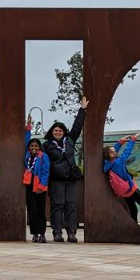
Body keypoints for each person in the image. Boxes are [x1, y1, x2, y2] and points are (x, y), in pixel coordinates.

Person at [44, 97, 88, 243]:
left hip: (70, 178)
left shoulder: (69, 141)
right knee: (57, 206)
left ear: (64, 132)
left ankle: (71, 233)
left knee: (71, 205)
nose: (58, 132)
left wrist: (82, 110)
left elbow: (77, 127)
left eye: (60, 130)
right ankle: (57, 233)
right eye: (55, 130)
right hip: (56, 179)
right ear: (52, 132)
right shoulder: (47, 145)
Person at [102, 137, 140, 235]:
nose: (115, 152)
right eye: (112, 152)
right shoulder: (118, 162)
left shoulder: (107, 164)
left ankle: (134, 230)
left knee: (133, 209)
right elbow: (127, 152)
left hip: (123, 191)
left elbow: (112, 149)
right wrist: (132, 140)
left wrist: (121, 141)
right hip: (131, 188)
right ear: (108, 154)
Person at [22, 124, 50, 242]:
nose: (33, 147)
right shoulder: (27, 155)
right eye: (32, 146)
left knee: (40, 211)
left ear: (39, 147)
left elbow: (46, 171)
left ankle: (42, 233)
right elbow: (26, 140)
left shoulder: (43, 156)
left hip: (39, 186)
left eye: (36, 146)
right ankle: (34, 234)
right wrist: (28, 128)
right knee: (32, 211)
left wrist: (42, 186)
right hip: (29, 185)